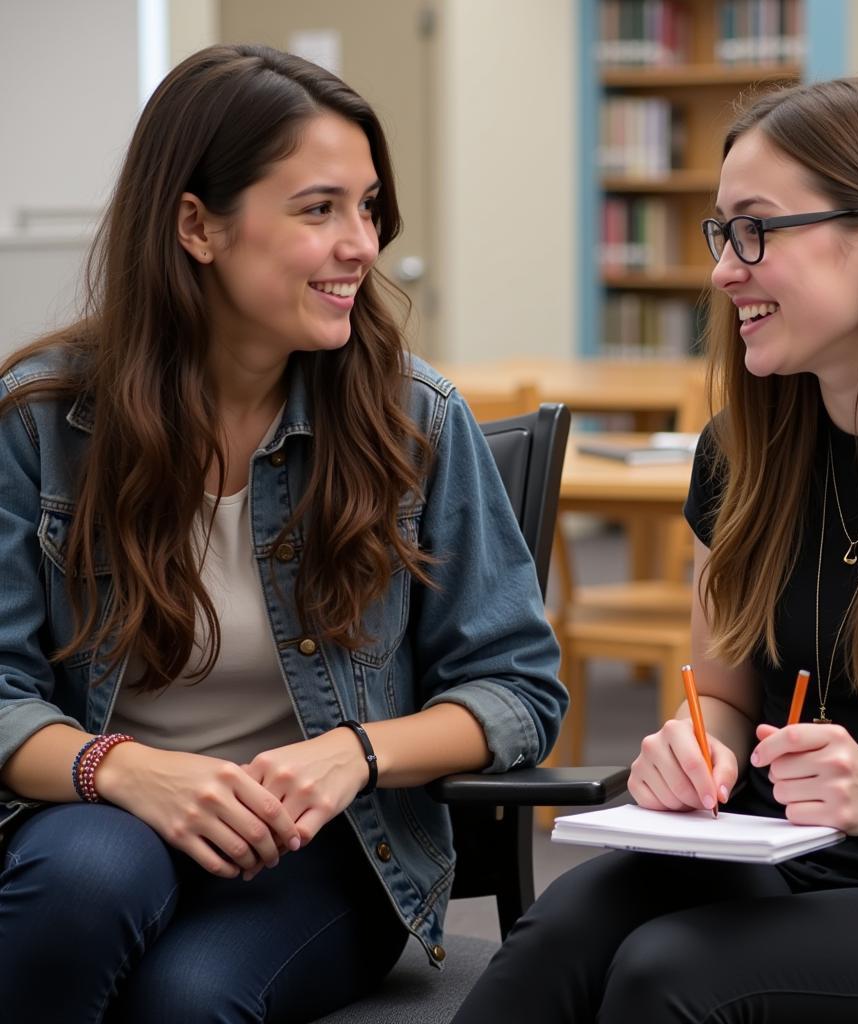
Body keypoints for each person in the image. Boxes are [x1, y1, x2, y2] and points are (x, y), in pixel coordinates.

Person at [0, 43, 565, 1023]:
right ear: (196, 226)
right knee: (83, 888)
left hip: (323, 845)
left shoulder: (415, 418)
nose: (361, 244)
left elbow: (517, 687)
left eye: (369, 207)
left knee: (187, 1001)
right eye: (319, 209)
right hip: (101, 816)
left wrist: (357, 749)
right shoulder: (41, 421)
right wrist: (126, 769)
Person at [452, 76, 858, 1023]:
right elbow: (722, 693)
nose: (723, 271)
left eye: (756, 230)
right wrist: (697, 752)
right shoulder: (743, 452)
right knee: (560, 934)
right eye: (722, 233)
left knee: (669, 973)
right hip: (781, 858)